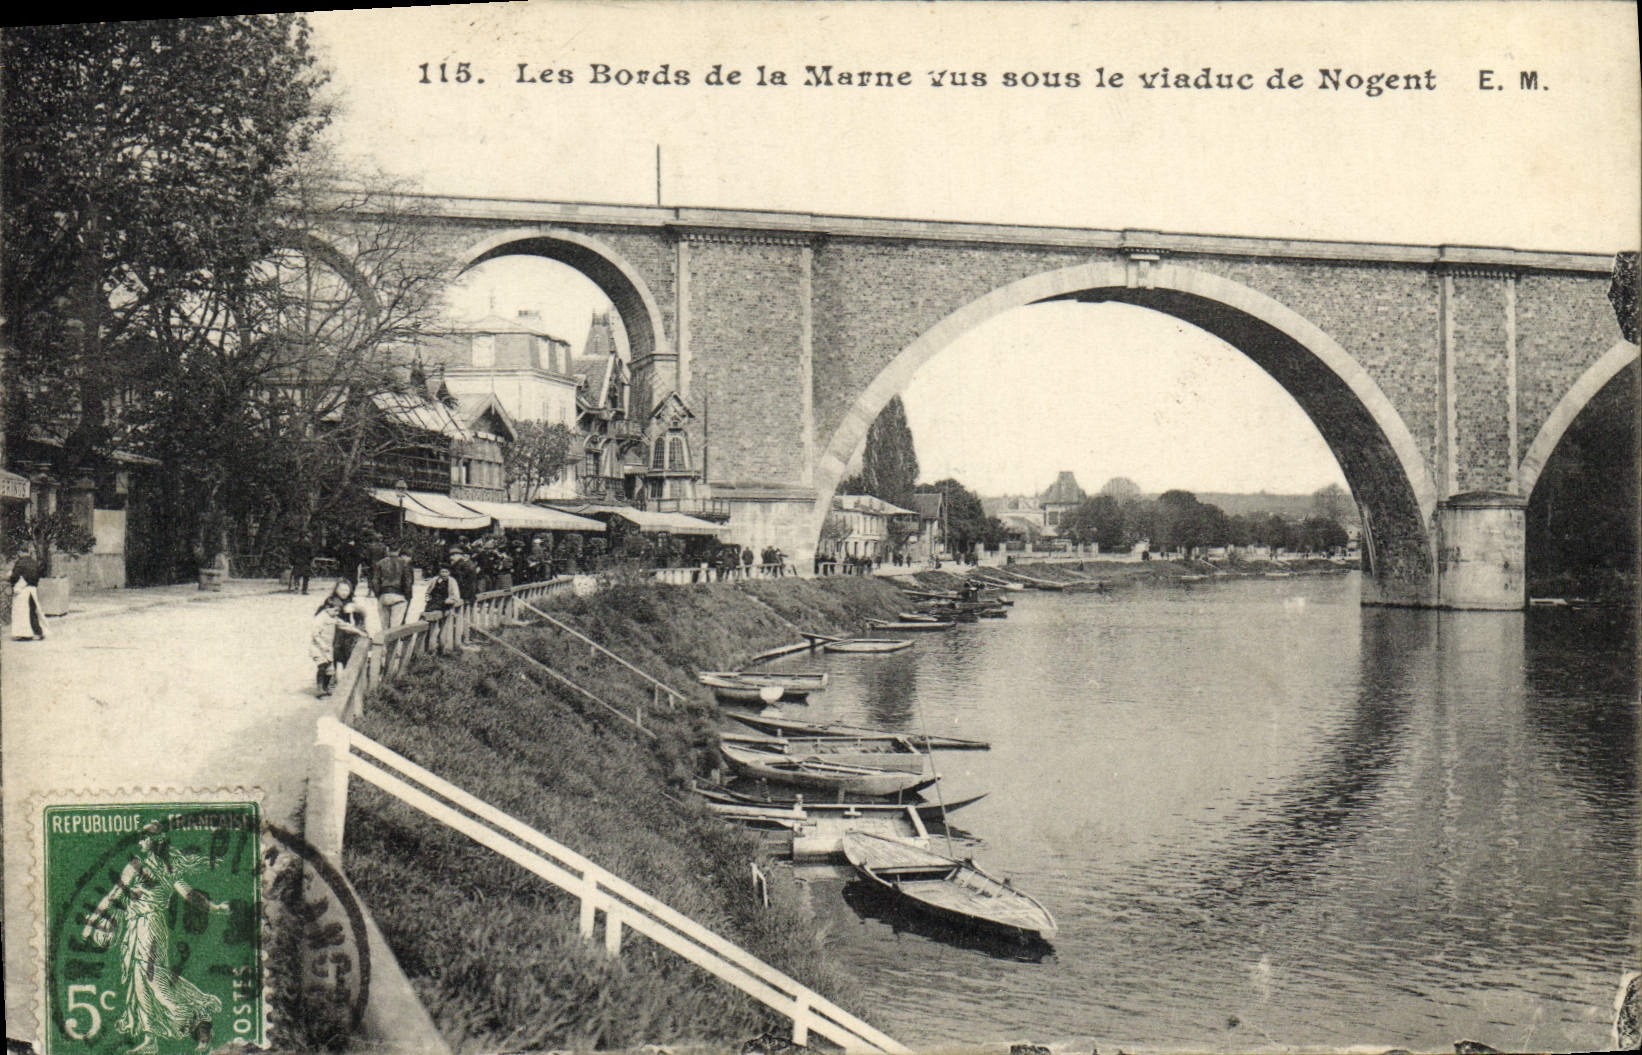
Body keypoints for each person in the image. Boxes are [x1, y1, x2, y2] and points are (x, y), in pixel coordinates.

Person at [80, 822, 231, 1053]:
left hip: (150, 926)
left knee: (153, 979)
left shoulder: (164, 868)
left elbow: (191, 896)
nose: (140, 842)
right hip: (135, 927)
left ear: (156, 840)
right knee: (140, 982)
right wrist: (93, 923)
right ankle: (151, 1040)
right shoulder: (139, 867)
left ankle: (194, 1015)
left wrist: (216, 908)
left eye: (144, 838)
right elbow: (114, 896)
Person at [310, 581, 368, 697]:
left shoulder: (351, 602)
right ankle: (323, 687)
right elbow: (317, 626)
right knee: (326, 662)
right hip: (328, 639)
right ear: (336, 589)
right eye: (341, 589)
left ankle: (337, 685)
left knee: (339, 661)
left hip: (342, 635)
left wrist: (356, 611)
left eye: (347, 590)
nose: (344, 593)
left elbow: (357, 619)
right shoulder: (330, 603)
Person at [422, 563, 463, 654]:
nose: (444, 573)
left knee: (444, 628)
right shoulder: (434, 580)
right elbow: (428, 592)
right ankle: (428, 648)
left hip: (445, 604)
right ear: (439, 572)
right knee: (430, 622)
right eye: (442, 571)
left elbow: (456, 596)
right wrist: (427, 598)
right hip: (433, 603)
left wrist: (450, 600)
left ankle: (442, 647)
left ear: (449, 572)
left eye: (446, 572)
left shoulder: (452, 581)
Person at [9, 547, 46, 641]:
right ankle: (38, 632)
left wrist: (11, 578)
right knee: (32, 611)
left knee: (21, 612)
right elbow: (39, 574)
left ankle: (24, 634)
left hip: (22, 590)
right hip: (32, 589)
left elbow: (14, 577)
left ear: (20, 552)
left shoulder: (20, 563)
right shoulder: (34, 563)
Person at [370, 545, 409, 629]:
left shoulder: (380, 563)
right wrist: (406, 595)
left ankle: (385, 642)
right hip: (398, 595)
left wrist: (378, 594)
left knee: (384, 627)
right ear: (399, 550)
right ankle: (393, 642)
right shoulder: (404, 563)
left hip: (384, 594)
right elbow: (407, 581)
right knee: (395, 627)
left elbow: (375, 581)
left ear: (387, 550)